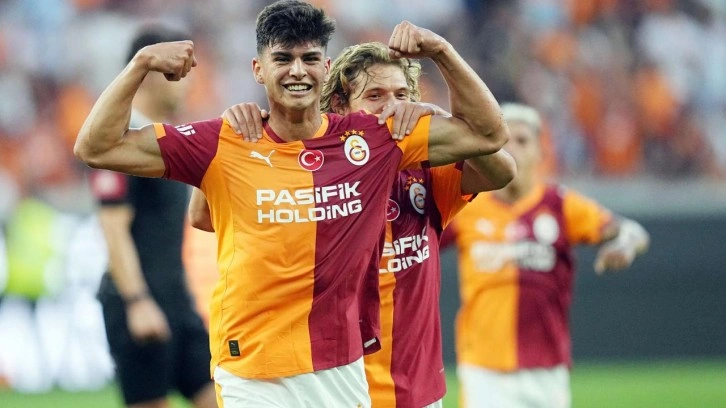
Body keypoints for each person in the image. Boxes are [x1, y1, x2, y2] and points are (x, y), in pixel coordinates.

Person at [73, 1, 509, 406]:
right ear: (258, 69)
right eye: (282, 59)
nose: (297, 70)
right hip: (252, 370)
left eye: (309, 58)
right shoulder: (226, 139)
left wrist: (441, 55)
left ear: (326, 67)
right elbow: (97, 147)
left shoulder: (375, 140)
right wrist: (140, 64)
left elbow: (488, 135)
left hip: (340, 367)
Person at [209, 38, 516, 407]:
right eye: (375, 96)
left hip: (414, 392)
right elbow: (204, 214)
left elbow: (500, 171)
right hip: (336, 386)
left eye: (402, 95)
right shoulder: (312, 172)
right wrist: (236, 139)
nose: (392, 106)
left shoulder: (428, 175)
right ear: (341, 105)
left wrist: (445, 120)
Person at [448, 103, 650, 408]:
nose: (512, 150)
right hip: (484, 370)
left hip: (546, 371)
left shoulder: (560, 205)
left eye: (522, 141)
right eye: (504, 141)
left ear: (541, 153)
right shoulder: (466, 206)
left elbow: (632, 231)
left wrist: (625, 245)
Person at [88, 25, 216, 408]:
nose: (188, 84)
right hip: (138, 299)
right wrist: (137, 301)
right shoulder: (120, 141)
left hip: (176, 298)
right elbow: (113, 228)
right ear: (156, 75)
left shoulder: (163, 138)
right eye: (182, 73)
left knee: (222, 397)